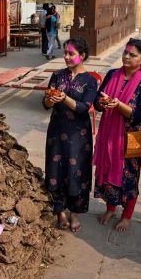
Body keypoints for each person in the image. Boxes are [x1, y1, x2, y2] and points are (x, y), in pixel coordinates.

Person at [93, 38, 141, 232]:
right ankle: (110, 207)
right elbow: (97, 102)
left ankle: (127, 215)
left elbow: (140, 114)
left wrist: (118, 105)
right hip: (108, 134)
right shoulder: (113, 74)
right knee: (107, 170)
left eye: (133, 55)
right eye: (125, 53)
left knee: (129, 177)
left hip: (130, 139)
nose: (126, 57)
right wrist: (102, 104)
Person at [43, 37, 98, 233]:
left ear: (82, 56)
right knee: (55, 169)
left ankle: (74, 213)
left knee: (77, 172)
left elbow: (84, 108)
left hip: (79, 135)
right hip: (57, 131)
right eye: (65, 53)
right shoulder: (57, 76)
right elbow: (46, 104)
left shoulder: (91, 80)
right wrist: (50, 100)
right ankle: (60, 212)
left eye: (71, 54)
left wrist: (64, 97)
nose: (66, 57)